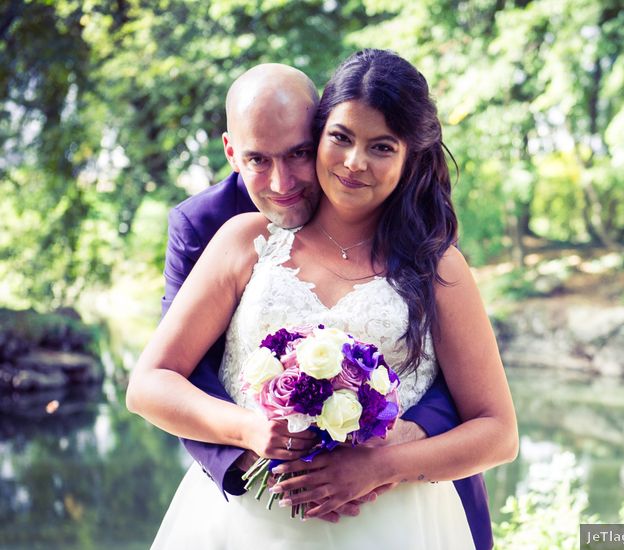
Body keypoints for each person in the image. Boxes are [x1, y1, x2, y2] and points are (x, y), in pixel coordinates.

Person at [127, 50, 518, 549]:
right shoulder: (243, 240)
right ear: (322, 132)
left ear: (409, 158)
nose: (354, 163)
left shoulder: (436, 267)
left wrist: (381, 465)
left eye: (381, 147)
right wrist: (250, 431)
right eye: (341, 138)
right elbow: (149, 384)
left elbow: (499, 433)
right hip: (245, 524)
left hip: (391, 524)